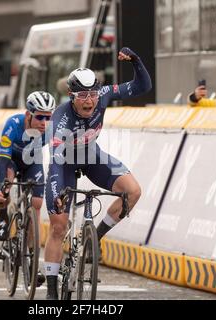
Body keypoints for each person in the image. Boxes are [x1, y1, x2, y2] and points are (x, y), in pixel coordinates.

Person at [44, 47, 152, 300]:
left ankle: (94, 241)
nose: (89, 101)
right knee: (58, 226)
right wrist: (59, 193)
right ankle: (50, 290)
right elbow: (57, 157)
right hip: (65, 163)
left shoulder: (103, 95)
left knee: (133, 191)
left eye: (92, 93)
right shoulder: (60, 119)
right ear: (71, 96)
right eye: (82, 95)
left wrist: (136, 60)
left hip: (93, 156)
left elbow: (141, 87)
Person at [0, 90, 57, 287]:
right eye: (39, 117)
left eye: (48, 117)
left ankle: (32, 260)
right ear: (28, 114)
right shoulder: (13, 124)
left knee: (36, 204)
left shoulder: (51, 129)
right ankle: (3, 217)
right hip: (10, 159)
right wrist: (4, 186)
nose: (44, 122)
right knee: (5, 188)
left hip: (32, 162)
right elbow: (3, 157)